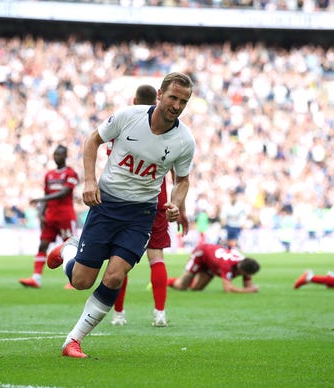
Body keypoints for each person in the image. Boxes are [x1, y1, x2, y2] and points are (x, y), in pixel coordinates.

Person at [46, 72, 196, 358]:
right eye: (173, 98)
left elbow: (183, 179)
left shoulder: (184, 141)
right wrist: (90, 181)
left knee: (115, 275)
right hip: (107, 205)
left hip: (141, 214)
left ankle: (73, 341)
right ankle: (68, 250)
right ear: (160, 95)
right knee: (81, 281)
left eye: (183, 101)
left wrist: (177, 202)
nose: (176, 105)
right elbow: (92, 141)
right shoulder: (129, 116)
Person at [110, 84, 188, 328]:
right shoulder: (170, 132)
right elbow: (179, 175)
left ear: (134, 100)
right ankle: (160, 313)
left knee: (119, 257)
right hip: (159, 200)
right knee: (157, 256)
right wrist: (179, 207)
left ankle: (119, 314)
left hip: (126, 200)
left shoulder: (124, 124)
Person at [19, 145, 79, 289]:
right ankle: (36, 278)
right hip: (50, 216)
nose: (57, 157)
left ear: (65, 156)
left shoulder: (71, 173)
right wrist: (41, 212)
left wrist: (40, 200)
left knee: (70, 246)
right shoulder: (49, 175)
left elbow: (64, 192)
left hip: (65, 215)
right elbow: (47, 195)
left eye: (60, 154)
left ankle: (74, 280)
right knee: (43, 244)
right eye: (55, 154)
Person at [167, 242, 260, 293]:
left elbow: (248, 285)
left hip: (211, 264)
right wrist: (248, 290)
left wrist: (248, 288)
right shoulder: (227, 265)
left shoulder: (245, 264)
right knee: (181, 286)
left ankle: (189, 282)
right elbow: (228, 289)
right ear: (242, 271)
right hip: (201, 254)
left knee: (196, 289)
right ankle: (163, 282)